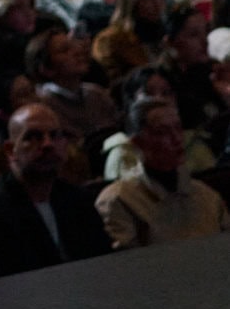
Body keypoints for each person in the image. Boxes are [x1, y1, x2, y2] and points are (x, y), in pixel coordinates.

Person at [0, 102, 112, 282]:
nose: (48, 144)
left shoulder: (79, 201)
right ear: (10, 150)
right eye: (33, 137)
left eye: (55, 135)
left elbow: (103, 267)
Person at [95, 93, 230, 248]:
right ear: (138, 142)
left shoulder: (206, 195)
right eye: (162, 132)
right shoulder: (119, 199)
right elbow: (127, 264)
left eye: (178, 128)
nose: (177, 139)